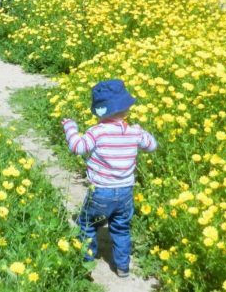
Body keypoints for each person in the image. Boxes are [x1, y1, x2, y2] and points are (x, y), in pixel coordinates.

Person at [61, 79, 157, 278]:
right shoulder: (134, 132)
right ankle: (123, 267)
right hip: (125, 192)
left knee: (87, 224)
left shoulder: (97, 132)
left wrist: (70, 127)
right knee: (121, 228)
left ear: (99, 111)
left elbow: (77, 148)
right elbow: (152, 146)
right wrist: (141, 132)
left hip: (101, 192)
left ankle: (86, 260)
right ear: (126, 108)